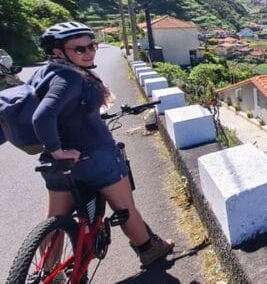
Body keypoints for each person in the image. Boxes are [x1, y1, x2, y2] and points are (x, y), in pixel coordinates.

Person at [31, 21, 174, 268]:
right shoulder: (70, 78)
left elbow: (59, 113)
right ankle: (149, 249)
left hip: (60, 165)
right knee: (125, 208)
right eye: (79, 49)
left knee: (56, 220)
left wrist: (56, 153)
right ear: (58, 51)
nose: (88, 53)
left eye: (92, 46)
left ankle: (47, 272)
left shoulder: (45, 73)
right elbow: (42, 117)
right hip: (95, 157)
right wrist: (58, 150)